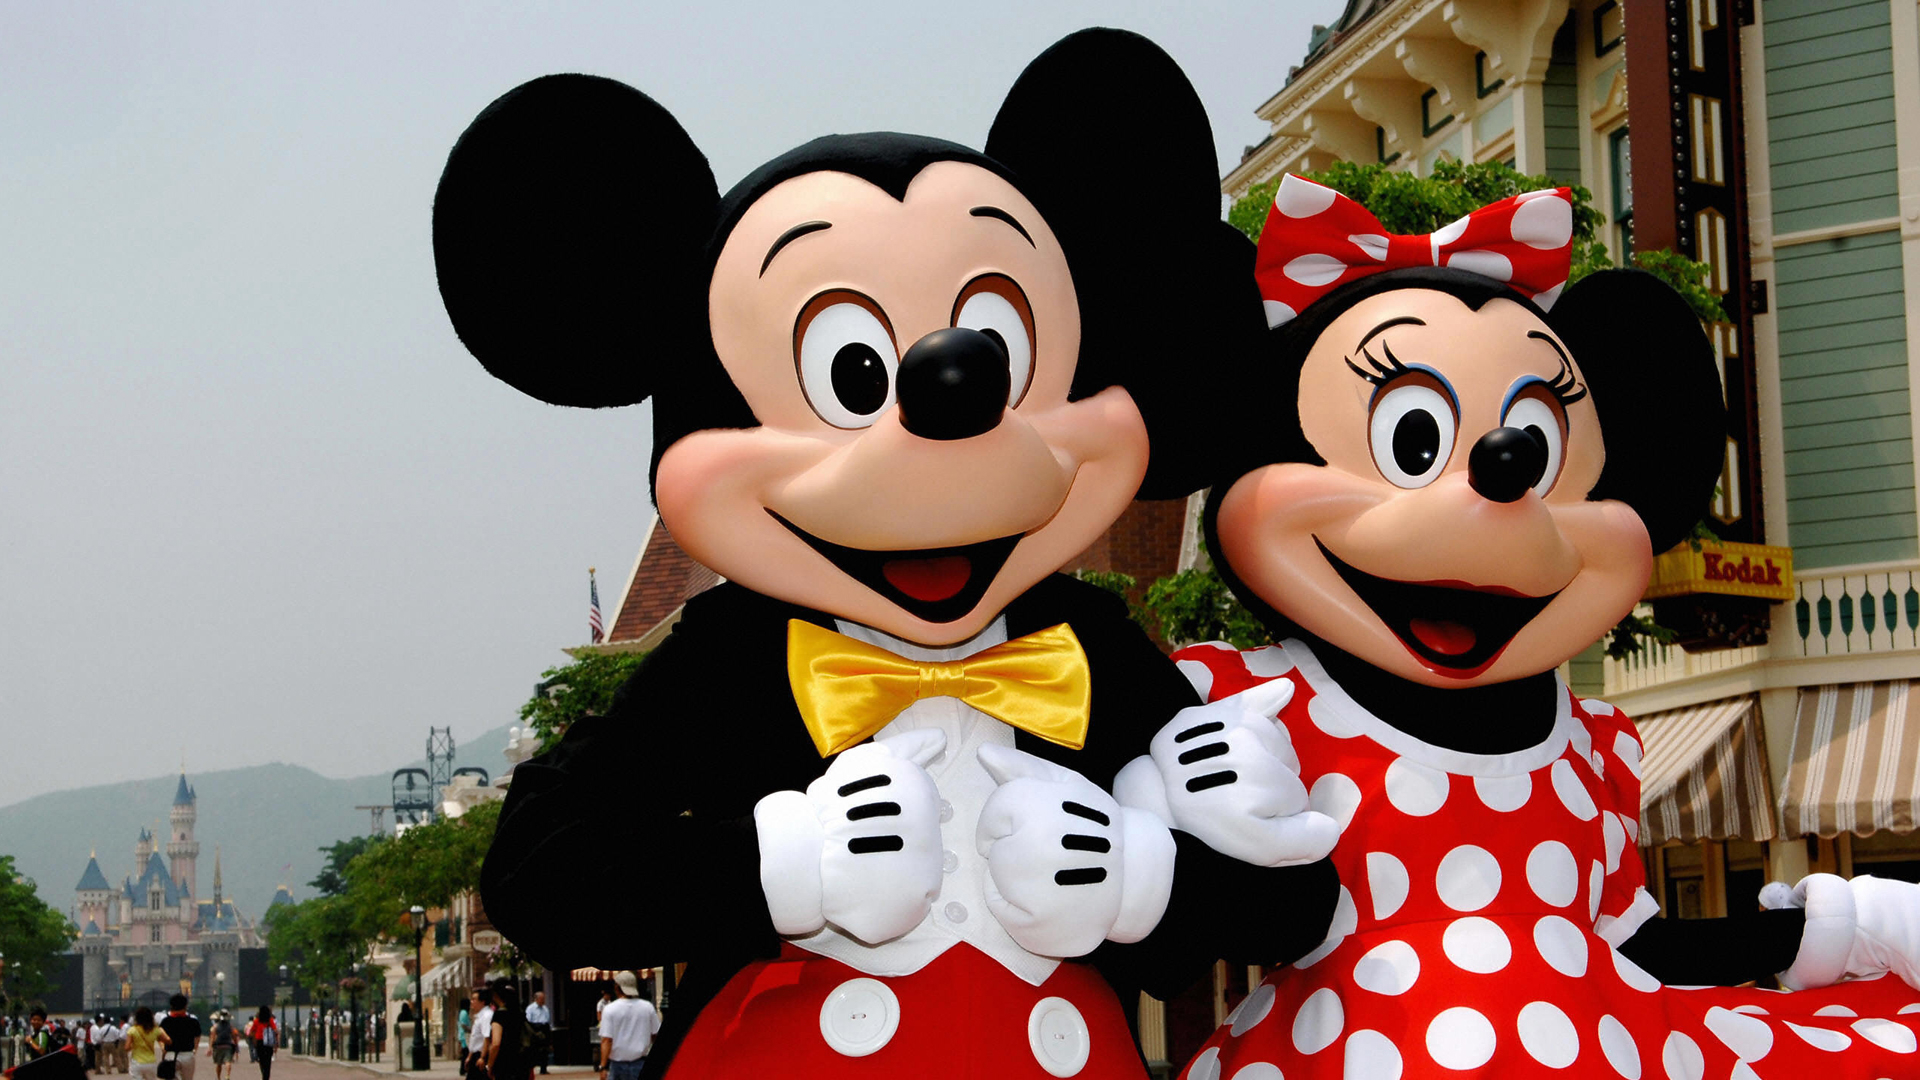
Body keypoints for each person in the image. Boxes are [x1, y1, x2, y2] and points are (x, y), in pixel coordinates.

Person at [595, 972, 657, 1080]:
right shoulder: (647, 1007)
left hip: (617, 1065)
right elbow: (655, 1035)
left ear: (617, 988)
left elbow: (606, 1040)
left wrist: (603, 1066)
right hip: (640, 1062)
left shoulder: (610, 1009)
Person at [480, 985, 525, 1080]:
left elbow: (496, 1043)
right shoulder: (519, 1014)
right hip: (521, 1060)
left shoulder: (499, 1015)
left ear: (496, 996)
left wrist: (489, 1065)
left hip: (504, 1062)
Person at [157, 996, 199, 1080]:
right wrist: (194, 1049)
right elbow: (197, 1037)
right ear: (186, 1006)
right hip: (187, 1054)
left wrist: (163, 1048)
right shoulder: (193, 1021)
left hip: (171, 1054)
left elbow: (159, 1036)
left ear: (171, 1006)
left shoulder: (166, 1021)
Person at [124, 1008, 169, 1080]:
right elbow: (168, 1041)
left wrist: (134, 1045)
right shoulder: (155, 1030)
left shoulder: (132, 1030)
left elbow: (126, 1048)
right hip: (151, 1062)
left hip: (137, 1062)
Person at [241, 1008, 276, 1080]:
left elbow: (251, 1032)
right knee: (268, 1061)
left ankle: (264, 1073)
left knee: (261, 1060)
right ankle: (266, 1076)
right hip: (268, 1043)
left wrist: (254, 1038)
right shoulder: (270, 1021)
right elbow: (275, 1031)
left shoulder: (256, 1021)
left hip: (260, 1042)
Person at [463, 991, 491, 1080]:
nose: (471, 1002)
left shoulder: (487, 1015)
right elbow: (475, 1038)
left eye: (474, 999)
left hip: (481, 1055)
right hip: (475, 1055)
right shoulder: (479, 1016)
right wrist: (469, 1056)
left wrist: (482, 1057)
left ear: (482, 1002)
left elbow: (486, 1037)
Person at [521, 992, 550, 1076]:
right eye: (541, 998)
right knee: (535, 1049)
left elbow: (548, 1019)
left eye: (544, 999)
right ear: (536, 999)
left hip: (544, 1028)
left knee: (545, 1049)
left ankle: (543, 1068)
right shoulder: (530, 1008)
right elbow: (528, 1020)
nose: (543, 1000)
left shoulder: (545, 1008)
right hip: (535, 1028)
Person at [206, 1012, 237, 1080]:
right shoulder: (230, 1026)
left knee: (218, 1063)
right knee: (228, 1061)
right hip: (228, 1045)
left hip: (218, 1046)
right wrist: (235, 1044)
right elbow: (234, 1036)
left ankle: (218, 1077)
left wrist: (210, 1048)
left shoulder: (215, 1026)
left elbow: (212, 1037)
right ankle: (227, 1075)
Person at [454, 997, 470, 1075]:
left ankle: (463, 1069)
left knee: (465, 1053)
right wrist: (470, 1030)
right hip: (465, 1035)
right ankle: (463, 1069)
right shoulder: (464, 1012)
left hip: (463, 1035)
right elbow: (463, 1025)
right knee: (465, 1053)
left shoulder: (462, 1012)